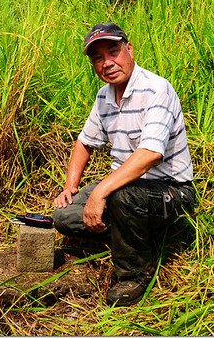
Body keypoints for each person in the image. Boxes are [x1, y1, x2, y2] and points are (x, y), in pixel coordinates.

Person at [52, 22, 196, 306]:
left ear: (129, 49)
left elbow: (150, 154)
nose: (107, 63)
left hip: (170, 190)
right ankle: (128, 234)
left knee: (121, 196)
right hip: (125, 186)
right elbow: (84, 143)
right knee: (63, 217)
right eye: (98, 58)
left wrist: (100, 193)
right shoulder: (104, 96)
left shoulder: (156, 89)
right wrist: (71, 187)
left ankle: (134, 273)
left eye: (113, 51)